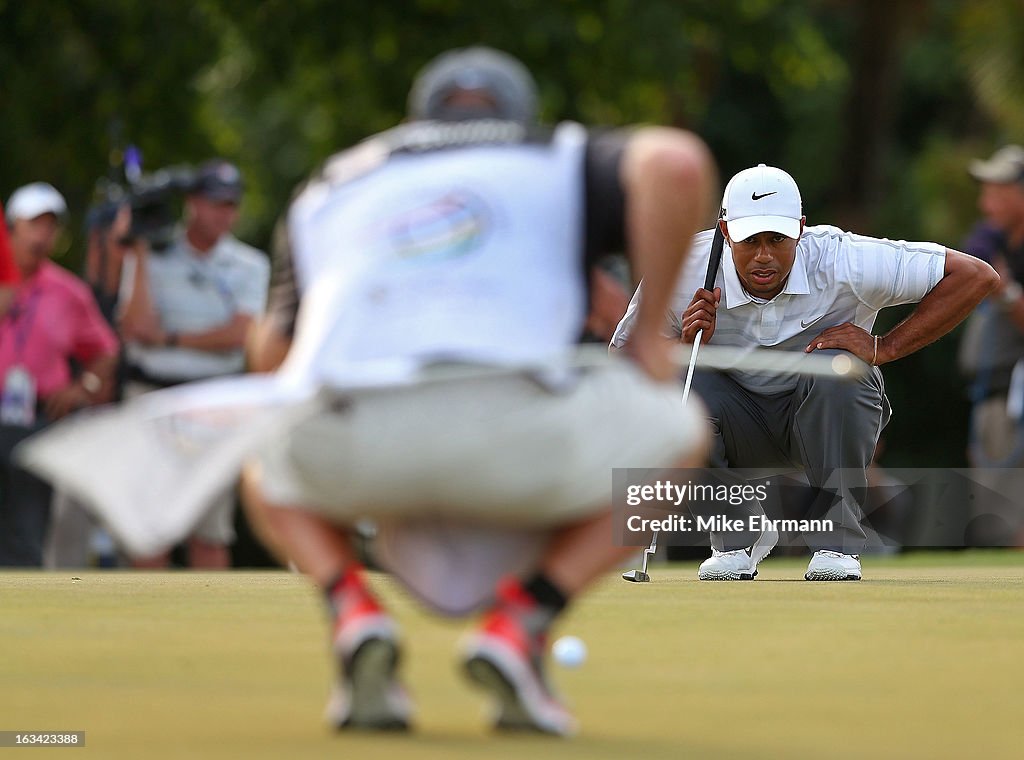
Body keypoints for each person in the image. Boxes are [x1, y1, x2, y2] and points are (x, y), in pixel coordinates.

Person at [236, 46, 714, 734]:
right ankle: (522, 624)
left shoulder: (333, 182)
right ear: (520, 116)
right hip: (521, 436)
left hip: (361, 444)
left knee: (261, 450)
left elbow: (273, 355)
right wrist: (649, 347)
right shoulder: (557, 154)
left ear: (414, 120)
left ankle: (352, 608)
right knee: (681, 432)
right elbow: (674, 164)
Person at [611, 163, 998, 581]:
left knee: (842, 372)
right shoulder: (683, 267)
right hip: (732, 425)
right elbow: (624, 358)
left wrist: (883, 348)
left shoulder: (844, 259)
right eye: (749, 240)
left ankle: (837, 546)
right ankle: (739, 538)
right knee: (677, 380)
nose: (764, 255)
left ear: (800, 228)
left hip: (824, 422)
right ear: (725, 232)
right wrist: (680, 346)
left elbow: (975, 275)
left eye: (777, 239)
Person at [118, 160, 270, 568]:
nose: (224, 213)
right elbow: (134, 325)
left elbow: (239, 335)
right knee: (150, 530)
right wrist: (139, 251)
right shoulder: (151, 253)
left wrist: (170, 337)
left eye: (231, 204)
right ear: (191, 203)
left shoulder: (249, 264)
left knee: (210, 531)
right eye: (215, 202)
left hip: (213, 400)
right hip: (151, 394)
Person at [0, 183, 119, 566]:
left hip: (38, 419)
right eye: (34, 224)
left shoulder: (68, 292)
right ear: (12, 227)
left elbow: (104, 352)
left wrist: (83, 387)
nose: (42, 235)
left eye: (50, 226)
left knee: (26, 532)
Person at [956, 144, 1024, 547]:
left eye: (998, 190)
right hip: (992, 393)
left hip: (1016, 398)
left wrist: (1007, 291)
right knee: (997, 515)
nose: (986, 202)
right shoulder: (994, 244)